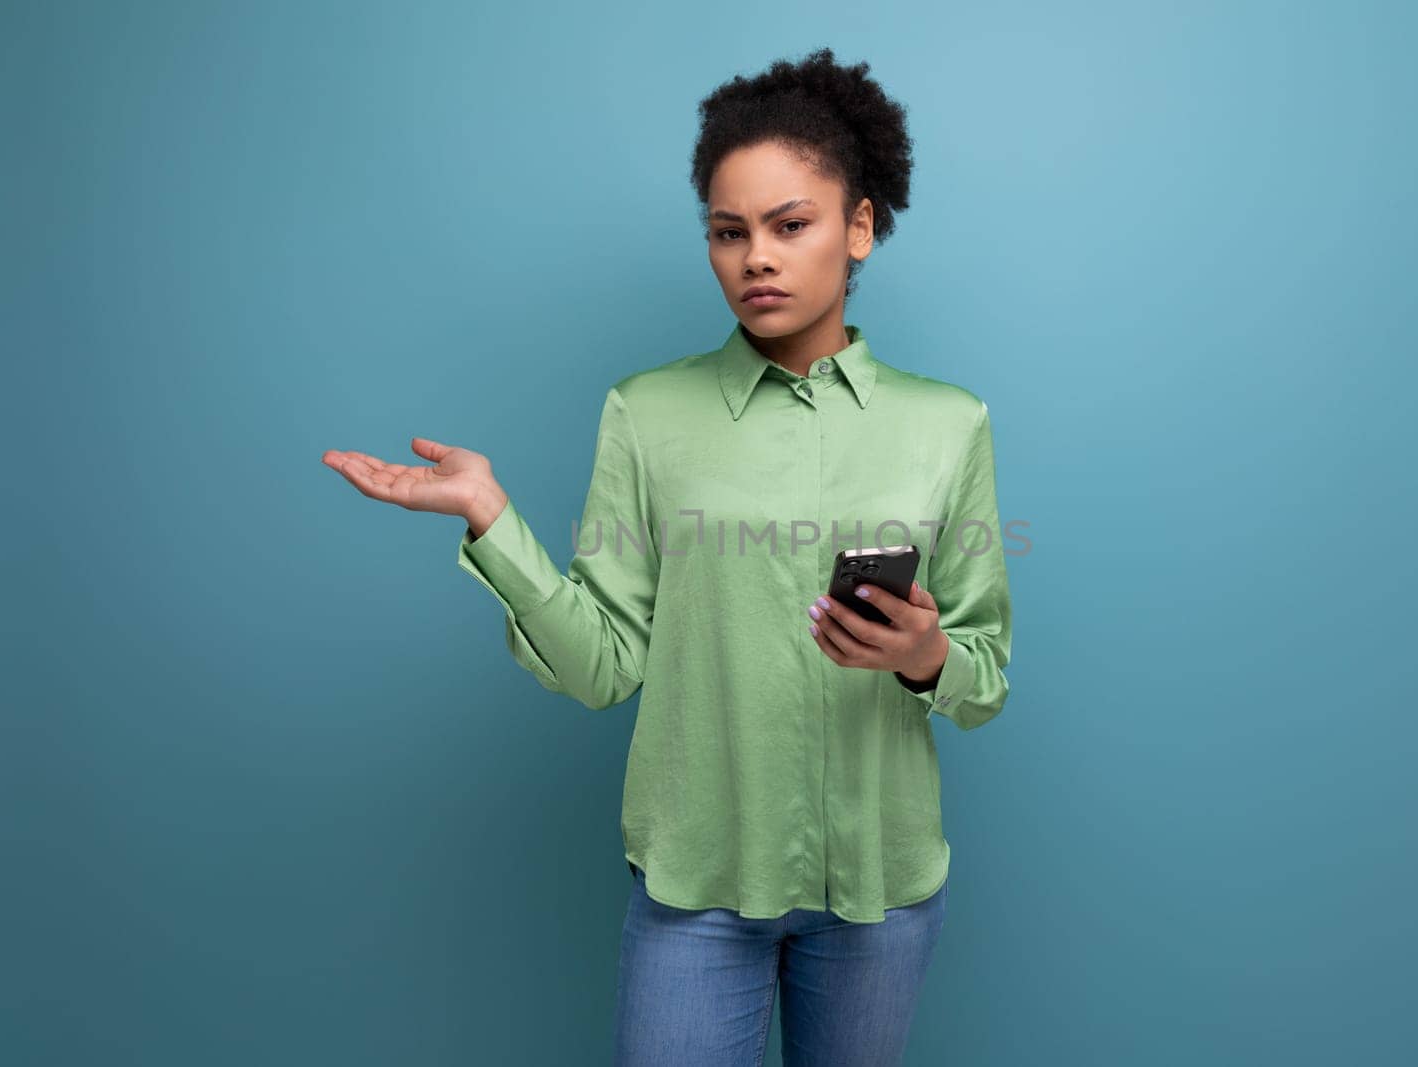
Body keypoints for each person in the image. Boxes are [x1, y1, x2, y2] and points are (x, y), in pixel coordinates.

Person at [322, 46, 1012, 1067]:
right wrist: (490, 518)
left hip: (877, 890)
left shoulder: (948, 426)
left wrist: (923, 653)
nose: (756, 258)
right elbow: (603, 664)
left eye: (790, 224)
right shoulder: (646, 413)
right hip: (697, 890)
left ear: (858, 225)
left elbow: (984, 675)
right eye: (729, 233)